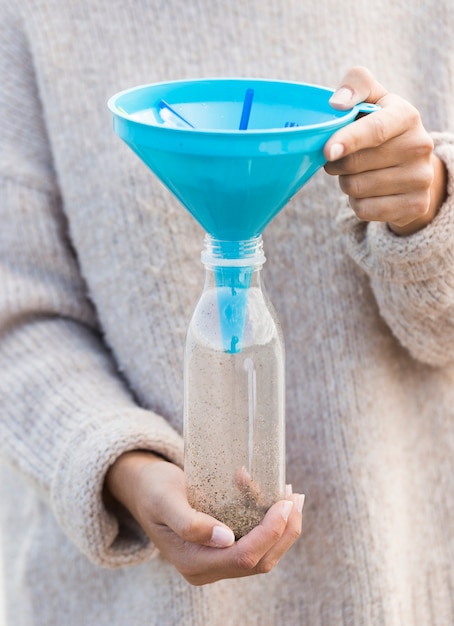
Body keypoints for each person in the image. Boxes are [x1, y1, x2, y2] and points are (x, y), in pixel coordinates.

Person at [1, 1, 453, 624]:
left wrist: (426, 204)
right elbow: (18, 317)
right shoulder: (33, 17)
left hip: (383, 571)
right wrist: (125, 470)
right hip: (132, 604)